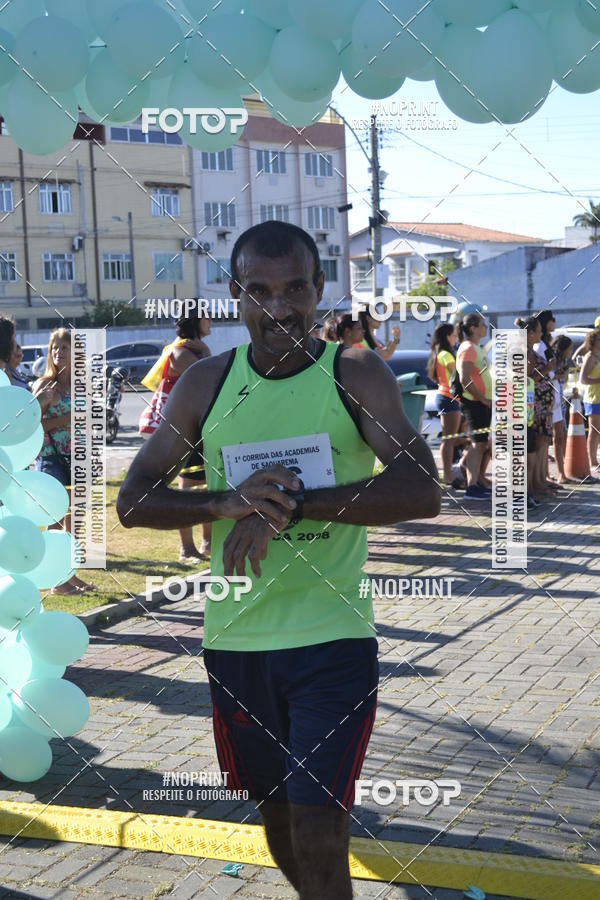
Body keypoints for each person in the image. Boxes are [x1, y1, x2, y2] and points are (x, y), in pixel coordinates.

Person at [118, 220, 440, 900]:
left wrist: (289, 503)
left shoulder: (353, 371)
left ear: (319, 290)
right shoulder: (206, 383)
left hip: (332, 638)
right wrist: (225, 503)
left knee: (320, 821)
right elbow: (133, 500)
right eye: (259, 291)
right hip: (236, 641)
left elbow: (421, 487)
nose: (279, 307)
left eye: (295, 288)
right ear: (236, 296)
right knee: (278, 816)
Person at [140, 311, 212, 562]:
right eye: (206, 317)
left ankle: (207, 543)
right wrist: (205, 351)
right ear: (194, 321)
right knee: (189, 486)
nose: (210, 321)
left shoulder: (194, 350)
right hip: (182, 427)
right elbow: (208, 376)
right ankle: (187, 547)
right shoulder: (181, 352)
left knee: (204, 483)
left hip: (196, 425)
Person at [32, 328, 94, 595]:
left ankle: (70, 574)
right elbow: (32, 426)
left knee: (74, 522)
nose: (58, 352)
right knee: (56, 521)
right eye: (55, 347)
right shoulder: (44, 386)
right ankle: (57, 582)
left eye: (64, 347)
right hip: (52, 459)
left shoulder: (83, 383)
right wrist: (68, 418)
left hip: (78, 458)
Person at [456, 313, 492, 501]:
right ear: (472, 328)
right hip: (474, 402)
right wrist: (482, 398)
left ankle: (475, 482)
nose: (486, 328)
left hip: (482, 402)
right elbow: (465, 379)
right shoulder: (469, 348)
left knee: (481, 444)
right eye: (482, 325)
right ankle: (471, 487)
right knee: (478, 444)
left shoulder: (477, 348)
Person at [427, 323, 463, 487]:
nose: (456, 338)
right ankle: (447, 475)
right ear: (447, 336)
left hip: (448, 397)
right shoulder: (445, 355)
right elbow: (459, 373)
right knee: (448, 440)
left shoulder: (441, 353)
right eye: (454, 335)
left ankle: (452, 472)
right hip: (448, 397)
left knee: (452, 438)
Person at [553, 335, 574, 484]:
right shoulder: (553, 360)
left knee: (563, 436)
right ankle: (560, 473)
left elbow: (563, 380)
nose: (571, 352)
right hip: (552, 401)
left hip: (561, 400)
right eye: (569, 349)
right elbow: (549, 376)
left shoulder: (564, 362)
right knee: (557, 438)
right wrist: (562, 374)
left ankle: (564, 470)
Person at [579, 327, 600, 472]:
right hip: (593, 398)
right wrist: (598, 381)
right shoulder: (590, 357)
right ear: (593, 341)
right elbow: (583, 379)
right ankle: (592, 461)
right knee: (594, 430)